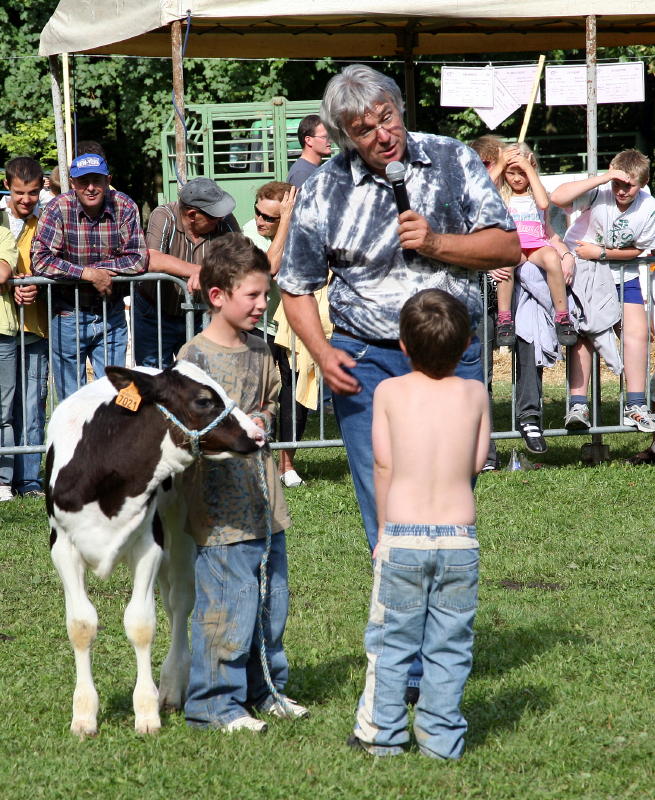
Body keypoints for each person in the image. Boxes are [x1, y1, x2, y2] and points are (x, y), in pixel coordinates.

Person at [277, 64, 519, 553]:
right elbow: (296, 285)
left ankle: (443, 588)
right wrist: (322, 353)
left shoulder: (452, 158)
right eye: (364, 130)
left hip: (451, 354)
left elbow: (507, 247)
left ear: (400, 108)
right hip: (366, 360)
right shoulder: (324, 189)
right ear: (345, 137)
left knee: (449, 494)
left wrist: (436, 242)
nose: (383, 136)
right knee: (383, 499)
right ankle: (392, 585)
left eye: (387, 118)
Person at [348, 289, 489, 759]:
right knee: (450, 646)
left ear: (403, 345)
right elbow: (476, 461)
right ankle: (442, 741)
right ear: (466, 344)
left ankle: (382, 735)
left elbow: (382, 465)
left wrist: (383, 530)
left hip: (403, 536)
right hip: (459, 541)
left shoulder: (389, 392)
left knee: (390, 643)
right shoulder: (475, 393)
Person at [180, 232, 308, 733]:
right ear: (217, 296)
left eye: (265, 293)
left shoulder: (261, 351)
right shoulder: (193, 360)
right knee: (226, 606)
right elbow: (182, 431)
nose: (262, 304)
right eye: (252, 295)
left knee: (270, 604)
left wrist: (264, 418)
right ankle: (213, 703)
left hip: (264, 502)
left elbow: (271, 399)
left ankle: (265, 689)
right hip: (219, 513)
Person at [551, 149, 655, 434]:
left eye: (628, 186)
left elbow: (639, 249)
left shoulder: (649, 207)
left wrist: (602, 253)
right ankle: (578, 405)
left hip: (623, 274)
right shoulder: (599, 192)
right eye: (617, 184)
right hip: (586, 274)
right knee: (585, 333)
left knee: (637, 333)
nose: (621, 191)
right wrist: (604, 177)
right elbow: (557, 198)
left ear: (643, 183)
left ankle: (635, 404)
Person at [31, 152, 147, 400]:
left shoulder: (125, 205)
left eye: (97, 180)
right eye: (84, 181)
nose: (91, 187)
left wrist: (98, 272)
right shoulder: (57, 208)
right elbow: (40, 260)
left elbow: (138, 258)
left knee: (117, 396)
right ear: (73, 183)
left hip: (112, 314)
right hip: (67, 315)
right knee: (73, 400)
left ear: (108, 181)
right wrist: (88, 273)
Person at [243, 181, 313, 487]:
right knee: (254, 394)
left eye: (268, 217)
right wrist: (283, 223)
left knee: (294, 393)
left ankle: (287, 466)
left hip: (294, 324)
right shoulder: (249, 233)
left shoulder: (305, 231)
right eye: (258, 212)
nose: (260, 220)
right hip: (259, 325)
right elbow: (270, 267)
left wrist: (289, 222)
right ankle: (252, 461)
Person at [134, 177, 239, 367]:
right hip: (155, 315)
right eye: (214, 216)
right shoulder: (164, 215)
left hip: (202, 315)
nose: (221, 219)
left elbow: (242, 261)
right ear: (192, 215)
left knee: (201, 376)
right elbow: (152, 259)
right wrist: (200, 272)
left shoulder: (224, 220)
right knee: (154, 377)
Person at [495, 142, 577, 349]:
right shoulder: (502, 194)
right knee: (505, 263)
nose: (516, 178)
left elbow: (543, 204)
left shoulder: (537, 193)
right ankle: (504, 319)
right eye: (511, 173)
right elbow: (482, 188)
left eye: (521, 173)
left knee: (551, 258)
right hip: (514, 247)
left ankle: (562, 316)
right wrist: (500, 164)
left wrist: (529, 168)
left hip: (536, 245)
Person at [1, 157, 49, 497]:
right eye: (19, 192)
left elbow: (55, 263)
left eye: (32, 192)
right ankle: (4, 478)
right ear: (7, 187)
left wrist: (37, 286)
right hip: (3, 325)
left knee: (33, 405)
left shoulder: (46, 220)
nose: (26, 199)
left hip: (36, 326)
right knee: (4, 406)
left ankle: (29, 479)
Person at [0, 224, 18, 501]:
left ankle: (3, 481)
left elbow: (3, 273)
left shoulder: (3, 234)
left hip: (2, 334)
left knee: (3, 414)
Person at [286, 114, 332, 189]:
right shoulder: (301, 173)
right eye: (324, 137)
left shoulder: (312, 168)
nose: (330, 141)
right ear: (308, 140)